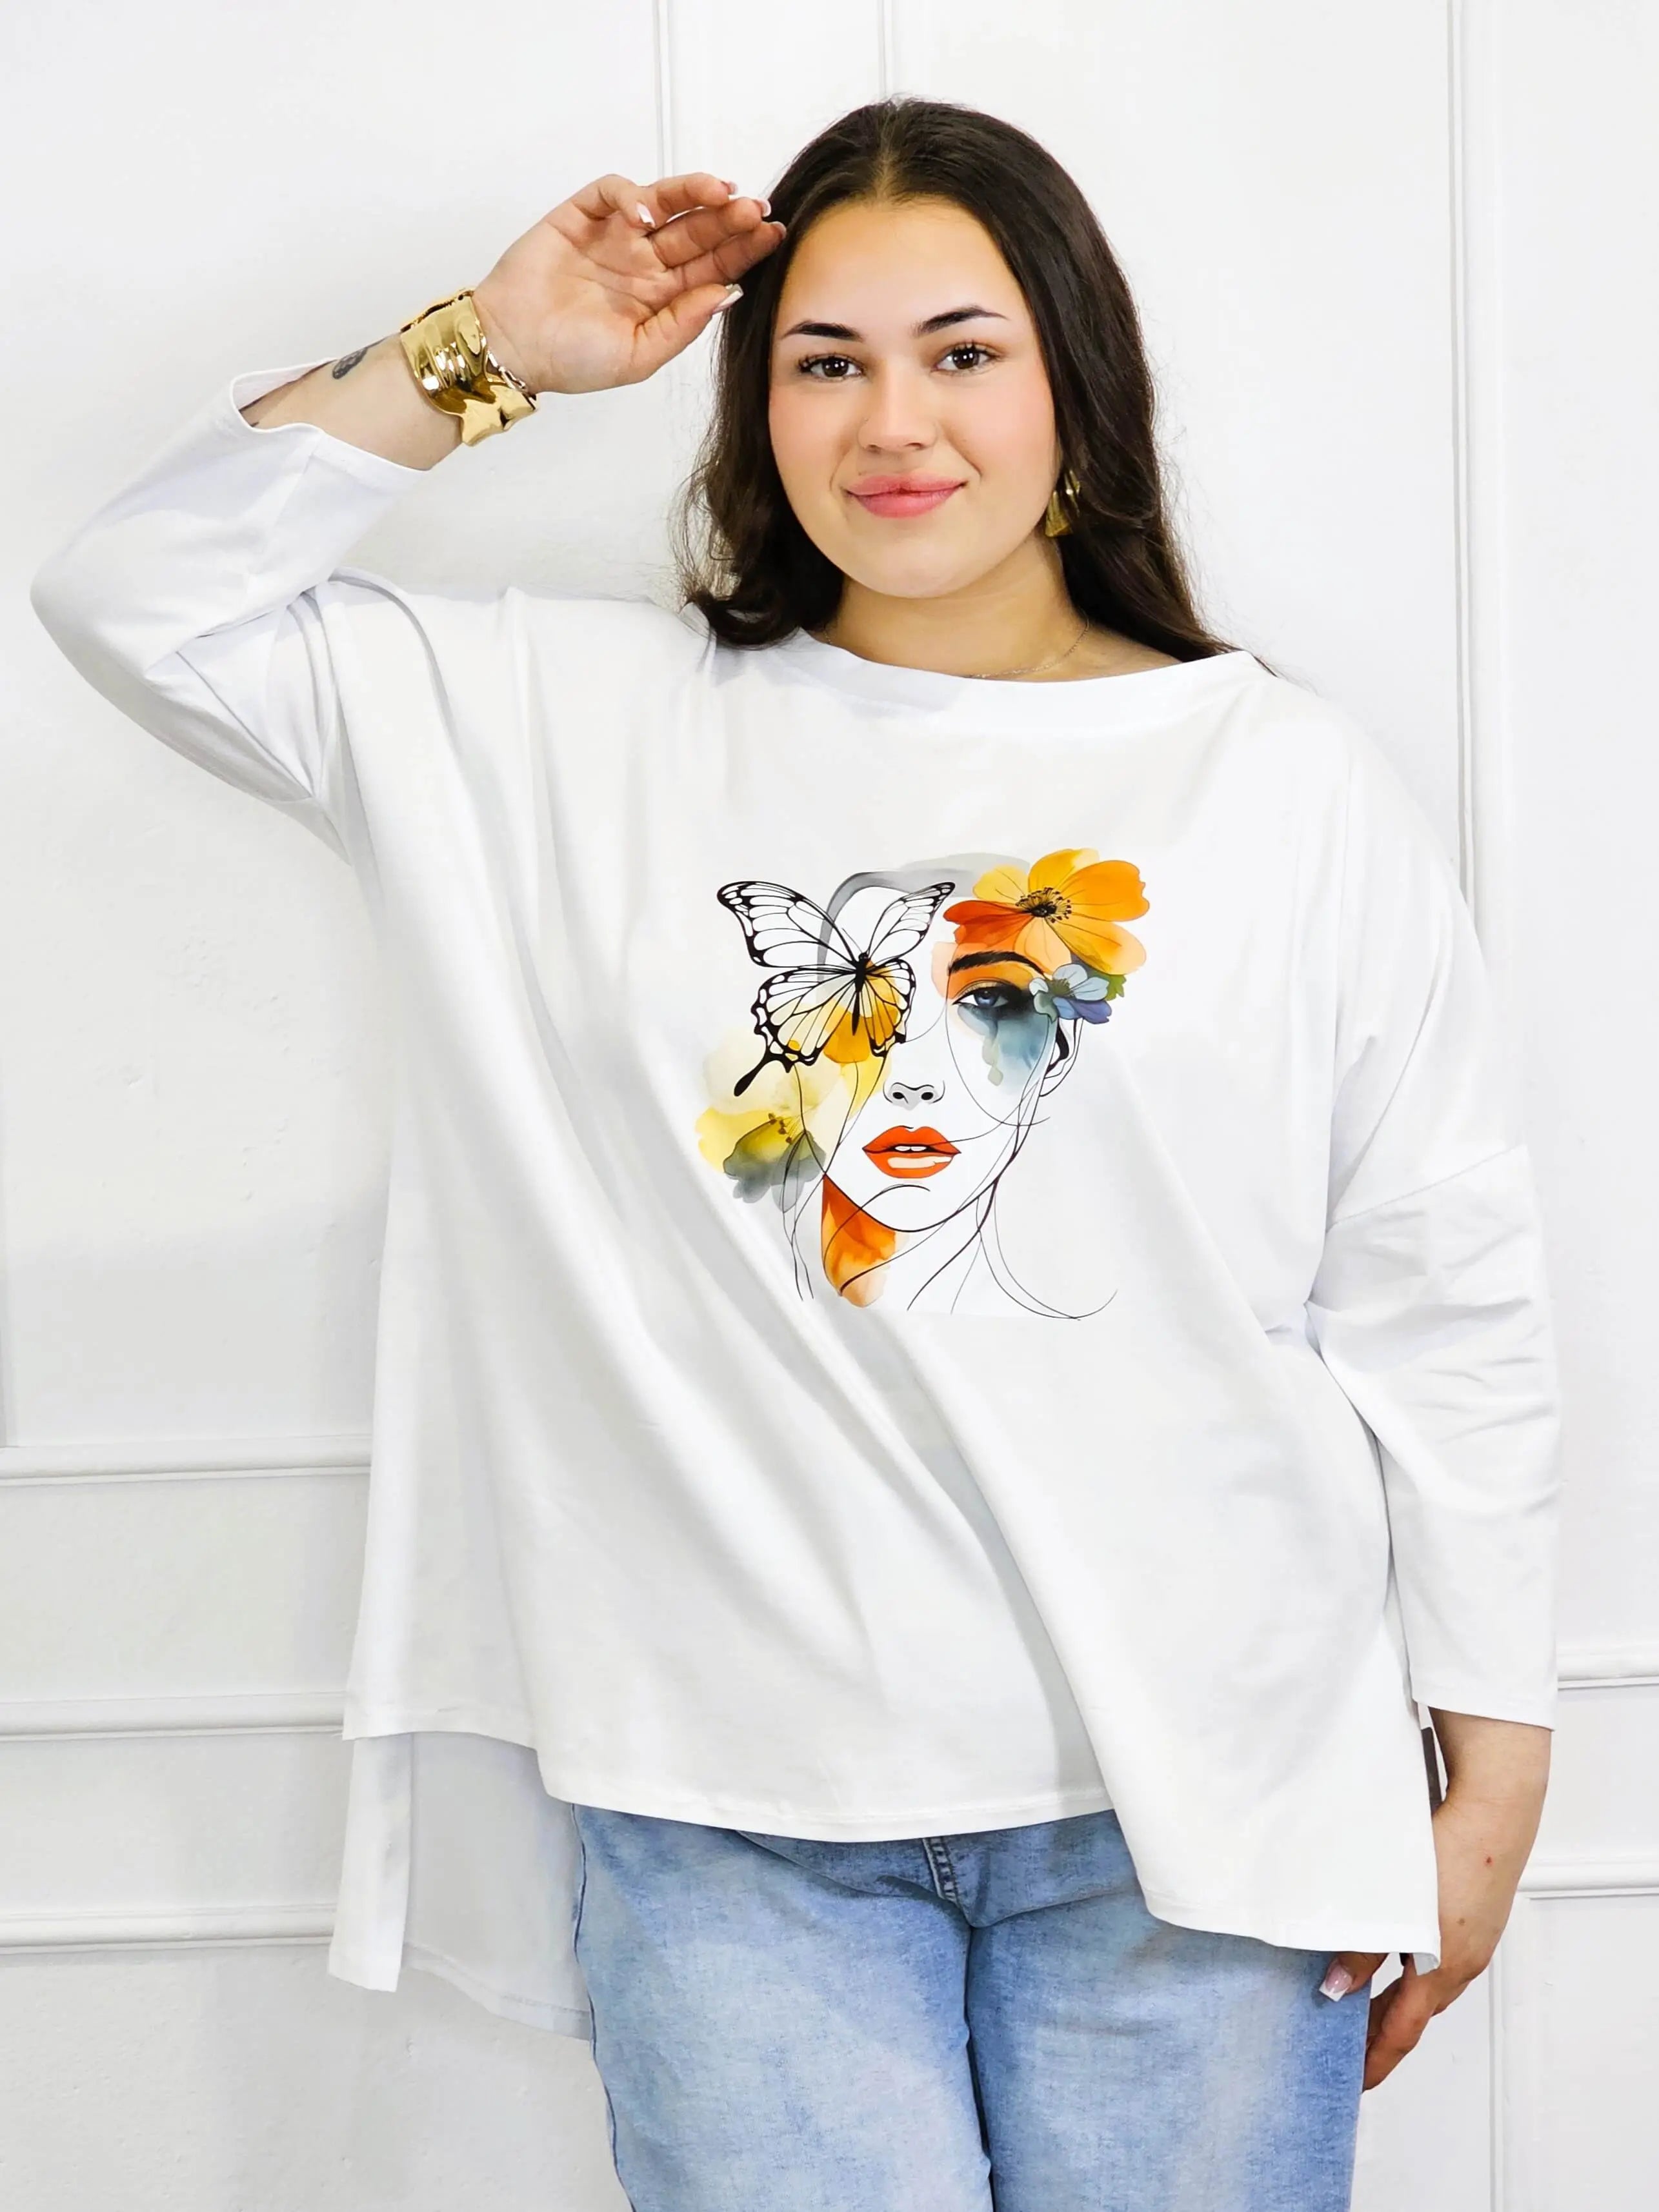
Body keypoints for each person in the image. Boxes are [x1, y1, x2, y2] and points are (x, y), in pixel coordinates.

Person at [32, 96, 1560, 2212]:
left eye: (962, 352)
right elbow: (135, 599)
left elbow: (1440, 1294)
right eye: (825, 361)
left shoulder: (1284, 786)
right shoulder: (557, 727)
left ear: (1076, 391)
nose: (891, 423)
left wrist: (1494, 1763)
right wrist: (487, 346)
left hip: (1207, 1803)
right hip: (731, 1820)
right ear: (755, 406)